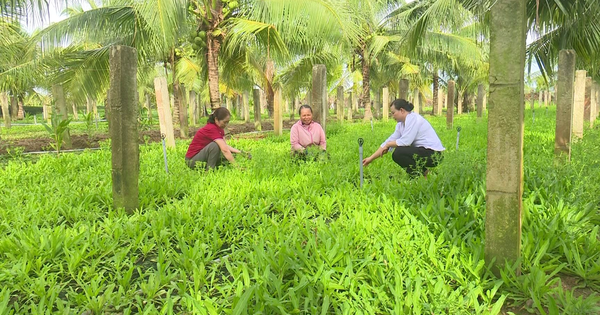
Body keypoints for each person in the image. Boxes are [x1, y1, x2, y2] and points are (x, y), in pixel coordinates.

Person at [363, 99, 444, 177]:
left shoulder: (413, 118)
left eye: (393, 113)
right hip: (423, 152)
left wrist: (388, 145)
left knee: (399, 152)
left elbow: (406, 142)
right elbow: (389, 141)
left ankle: (419, 177)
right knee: (398, 153)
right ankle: (425, 173)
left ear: (401, 110)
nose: (392, 116)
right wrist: (370, 158)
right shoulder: (401, 124)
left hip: (434, 155)